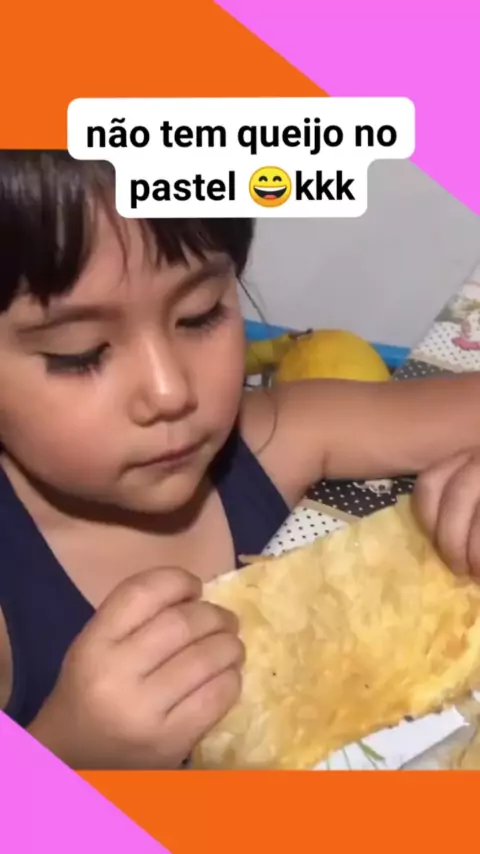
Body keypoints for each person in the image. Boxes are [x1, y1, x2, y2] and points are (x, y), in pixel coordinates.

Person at [1, 151, 480, 771]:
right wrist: (70, 753)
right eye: (80, 353)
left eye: (199, 314)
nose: (170, 391)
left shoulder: (271, 436)